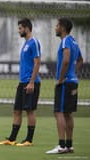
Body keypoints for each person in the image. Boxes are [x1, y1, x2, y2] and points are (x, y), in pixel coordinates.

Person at [0, 18, 41, 146]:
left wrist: (32, 82)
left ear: (27, 28)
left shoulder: (34, 42)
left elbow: (37, 62)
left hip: (31, 83)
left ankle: (29, 140)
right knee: (17, 110)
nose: (19, 31)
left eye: (20, 28)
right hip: (23, 82)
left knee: (30, 111)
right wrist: (21, 81)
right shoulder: (25, 44)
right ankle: (11, 139)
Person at [46, 18, 83, 154]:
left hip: (65, 82)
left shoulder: (66, 40)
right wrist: (73, 73)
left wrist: (61, 79)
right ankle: (69, 145)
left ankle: (61, 145)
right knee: (68, 113)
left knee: (59, 112)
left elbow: (66, 60)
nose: (55, 28)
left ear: (62, 27)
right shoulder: (74, 41)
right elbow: (80, 60)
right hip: (73, 81)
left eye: (57, 25)